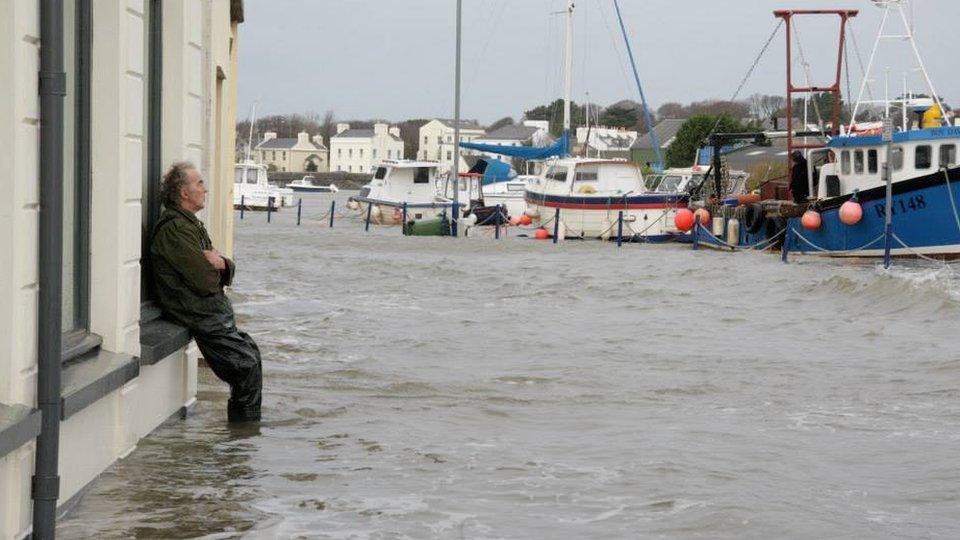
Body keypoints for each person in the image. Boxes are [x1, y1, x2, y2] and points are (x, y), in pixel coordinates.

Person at [151, 162, 262, 423]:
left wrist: (223, 264)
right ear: (183, 193)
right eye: (199, 184)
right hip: (198, 313)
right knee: (245, 368)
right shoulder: (176, 229)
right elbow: (206, 280)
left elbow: (216, 267)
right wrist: (219, 268)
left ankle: (244, 433)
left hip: (210, 314)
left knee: (250, 356)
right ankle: (242, 437)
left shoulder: (191, 225)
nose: (206, 189)